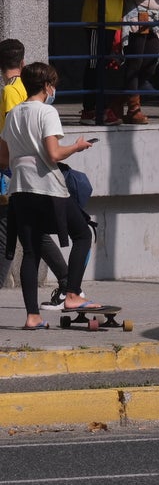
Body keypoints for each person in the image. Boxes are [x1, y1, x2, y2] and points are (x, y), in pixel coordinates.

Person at [0, 63, 102, 329]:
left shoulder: (13, 114)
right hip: (47, 187)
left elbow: (3, 157)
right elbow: (54, 154)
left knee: (31, 251)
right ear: (46, 86)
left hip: (19, 189)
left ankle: (32, 316)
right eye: (53, 85)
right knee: (83, 234)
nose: (54, 89)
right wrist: (77, 147)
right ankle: (71, 294)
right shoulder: (47, 112)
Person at [0, 40, 74, 302]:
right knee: (29, 232)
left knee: (16, 233)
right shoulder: (25, 88)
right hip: (30, 173)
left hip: (16, 172)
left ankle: (68, 282)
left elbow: (13, 133)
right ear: (21, 62)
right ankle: (67, 282)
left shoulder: (10, 92)